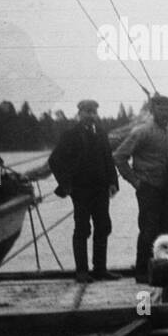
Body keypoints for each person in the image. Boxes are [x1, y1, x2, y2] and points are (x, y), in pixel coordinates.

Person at [115, 94, 168, 283]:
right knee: (148, 230)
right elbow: (120, 157)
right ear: (153, 110)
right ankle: (142, 271)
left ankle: (165, 269)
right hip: (148, 189)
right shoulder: (141, 132)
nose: (165, 113)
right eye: (161, 109)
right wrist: (135, 182)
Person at [48, 99, 120, 283]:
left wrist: (113, 182)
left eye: (93, 111)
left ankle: (100, 270)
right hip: (81, 190)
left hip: (101, 189)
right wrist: (66, 184)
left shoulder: (101, 134)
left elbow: (108, 159)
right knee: (82, 228)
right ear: (79, 113)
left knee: (103, 227)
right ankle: (81, 271)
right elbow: (55, 161)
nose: (90, 115)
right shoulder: (70, 135)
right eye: (87, 111)